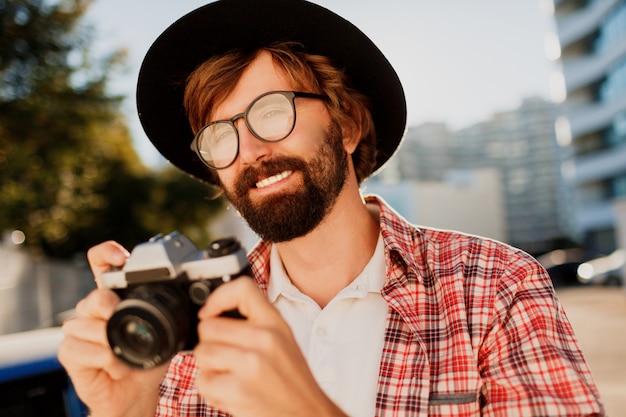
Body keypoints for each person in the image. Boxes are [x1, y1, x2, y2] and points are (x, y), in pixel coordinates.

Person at [58, 0, 605, 416]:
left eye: (271, 113)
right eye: (219, 137)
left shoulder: (496, 288)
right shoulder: (187, 325)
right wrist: (127, 410)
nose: (249, 151)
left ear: (345, 125)